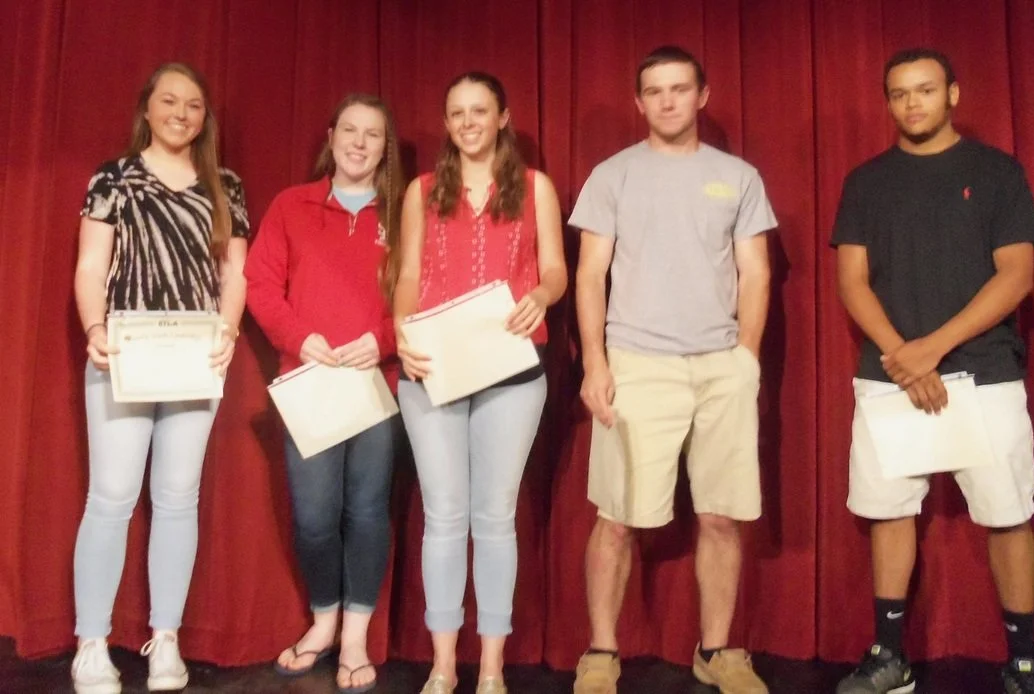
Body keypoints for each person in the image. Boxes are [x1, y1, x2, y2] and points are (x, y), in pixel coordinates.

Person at [831, 48, 1034, 694]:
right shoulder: (865, 181)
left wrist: (933, 348)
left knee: (1008, 513)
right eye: (899, 94)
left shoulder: (997, 173)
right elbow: (852, 281)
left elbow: (1017, 275)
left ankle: (1025, 663)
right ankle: (889, 657)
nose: (912, 104)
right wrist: (904, 354)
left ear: (953, 93)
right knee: (889, 511)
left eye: (925, 90)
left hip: (983, 373)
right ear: (888, 102)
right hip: (891, 374)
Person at [570, 45, 776, 694]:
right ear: (639, 103)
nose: (667, 101)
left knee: (720, 515)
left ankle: (716, 650)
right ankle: (602, 651)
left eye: (679, 89)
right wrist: (596, 363)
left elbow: (756, 271)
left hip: (721, 366)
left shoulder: (737, 177)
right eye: (654, 91)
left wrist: (745, 357)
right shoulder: (612, 175)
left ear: (702, 95)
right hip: (637, 363)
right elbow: (589, 275)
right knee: (618, 517)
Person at [70, 62, 249, 694]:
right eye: (169, 101)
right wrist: (96, 329)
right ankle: (91, 643)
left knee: (178, 499)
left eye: (194, 105)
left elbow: (234, 277)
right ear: (147, 108)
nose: (181, 113)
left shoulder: (224, 185)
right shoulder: (114, 178)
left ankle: (165, 640)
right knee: (112, 497)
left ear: (205, 117)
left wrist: (226, 332)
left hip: (193, 358)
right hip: (125, 353)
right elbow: (93, 266)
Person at [393, 71, 567, 694]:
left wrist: (542, 297)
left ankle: (491, 668)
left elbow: (554, 269)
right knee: (443, 517)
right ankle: (443, 665)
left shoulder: (536, 187)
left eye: (479, 111)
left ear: (502, 117)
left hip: (511, 369)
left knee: (493, 519)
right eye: (456, 113)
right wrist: (401, 328)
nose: (468, 122)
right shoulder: (421, 190)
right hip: (435, 365)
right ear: (446, 123)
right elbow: (409, 271)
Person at [245, 93, 403, 694]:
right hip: (308, 386)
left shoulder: (403, 210)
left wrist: (383, 339)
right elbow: (259, 283)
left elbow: (419, 296)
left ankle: (355, 639)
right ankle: (323, 622)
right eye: (350, 130)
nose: (360, 143)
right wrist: (297, 335)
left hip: (375, 387)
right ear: (331, 134)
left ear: (385, 147)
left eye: (374, 135)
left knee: (366, 513)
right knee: (313, 518)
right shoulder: (292, 205)